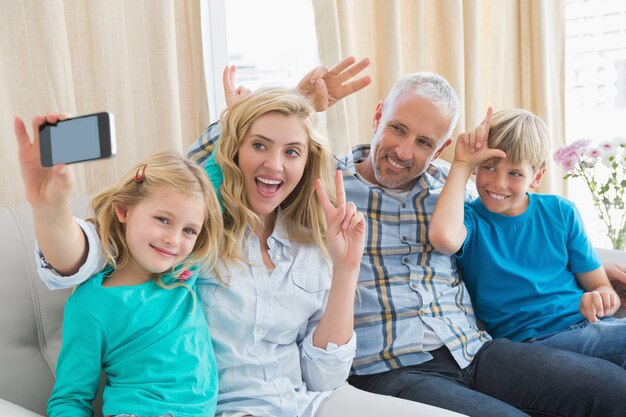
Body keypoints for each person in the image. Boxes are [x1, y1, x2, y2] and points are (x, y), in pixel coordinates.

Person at [190, 70, 626, 417]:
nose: (403, 150)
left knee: (612, 391)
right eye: (397, 128)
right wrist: (285, 104)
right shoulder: (322, 182)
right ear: (377, 116)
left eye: (423, 142)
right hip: (391, 368)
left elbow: (506, 228)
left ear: (439, 151)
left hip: (474, 349)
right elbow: (196, 182)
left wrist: (591, 272)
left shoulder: (449, 189)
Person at [26, 88, 465, 416]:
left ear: (306, 163)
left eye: (291, 152)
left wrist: (347, 267)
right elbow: (90, 252)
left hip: (311, 404)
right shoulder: (196, 228)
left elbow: (324, 377)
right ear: (234, 151)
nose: (275, 165)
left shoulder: (313, 241)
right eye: (259, 146)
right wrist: (51, 209)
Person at [15, 115, 222, 417]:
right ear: (123, 210)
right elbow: (70, 399)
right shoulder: (90, 305)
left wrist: (235, 117)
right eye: (163, 220)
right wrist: (49, 206)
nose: (174, 240)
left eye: (189, 230)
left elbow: (218, 174)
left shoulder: (184, 272)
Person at [428, 107, 626, 369]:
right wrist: (462, 163)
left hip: (591, 327)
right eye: (488, 167)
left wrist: (600, 299)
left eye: (515, 173)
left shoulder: (561, 212)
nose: (498, 183)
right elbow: (442, 237)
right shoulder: (469, 222)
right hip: (532, 345)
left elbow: (602, 289)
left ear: (537, 177)